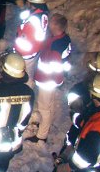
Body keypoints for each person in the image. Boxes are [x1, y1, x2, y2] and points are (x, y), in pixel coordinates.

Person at [25, 13, 71, 143]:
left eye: (52, 21)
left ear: (56, 25)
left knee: (44, 107)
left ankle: (41, 136)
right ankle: (44, 128)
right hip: (50, 80)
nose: (49, 22)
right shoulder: (62, 39)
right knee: (48, 106)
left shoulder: (56, 46)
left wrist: (43, 78)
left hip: (47, 81)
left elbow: (54, 67)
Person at [13, 0, 49, 88]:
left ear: (30, 2)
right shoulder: (41, 13)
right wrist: (21, 8)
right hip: (35, 51)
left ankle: (26, 93)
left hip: (26, 54)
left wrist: (17, 52)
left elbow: (25, 38)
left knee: (26, 78)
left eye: (27, 1)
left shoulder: (33, 20)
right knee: (29, 74)